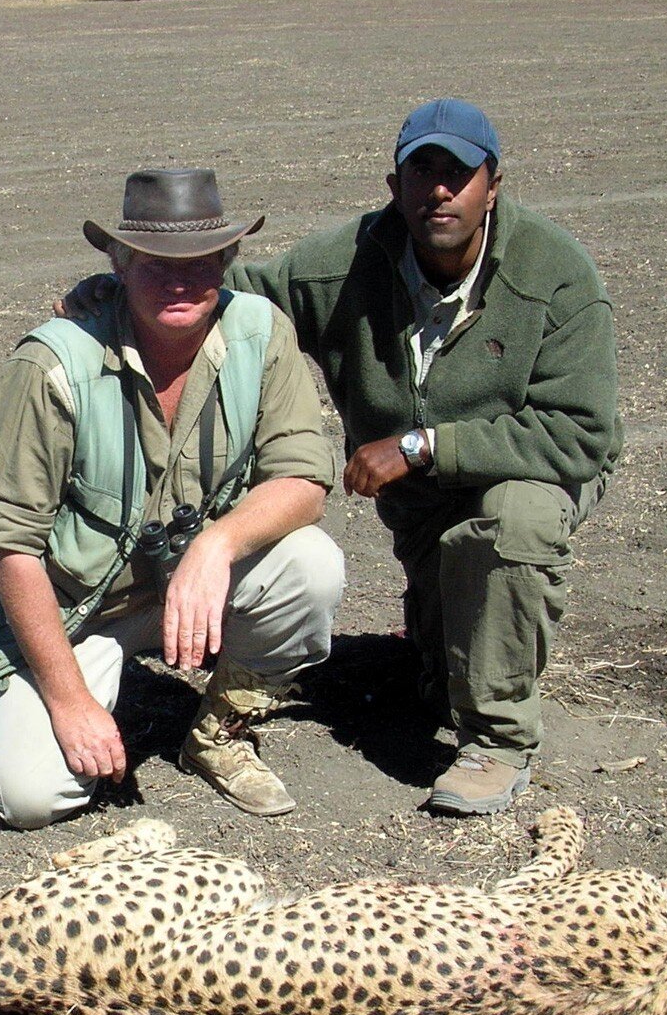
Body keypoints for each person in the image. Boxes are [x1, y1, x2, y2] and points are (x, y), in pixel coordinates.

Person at [224, 98, 622, 816]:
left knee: (513, 521)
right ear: (394, 185)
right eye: (422, 171)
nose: (440, 189)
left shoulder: (557, 276)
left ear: (492, 185)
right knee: (437, 680)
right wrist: (126, 292)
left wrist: (423, 445)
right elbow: (237, 295)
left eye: (459, 173)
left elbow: (579, 435)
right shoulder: (345, 264)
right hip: (423, 499)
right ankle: (445, 636)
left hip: (531, 469)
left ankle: (497, 742)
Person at [0, 169, 344, 830]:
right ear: (117, 263)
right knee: (31, 799)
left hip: (188, 587)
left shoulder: (260, 333)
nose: (178, 281)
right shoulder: (51, 365)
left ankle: (219, 729)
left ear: (229, 261)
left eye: (200, 264)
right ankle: (78, 693)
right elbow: (9, 545)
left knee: (312, 567)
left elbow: (303, 480)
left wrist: (217, 545)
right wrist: (70, 700)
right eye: (155, 265)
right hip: (76, 610)